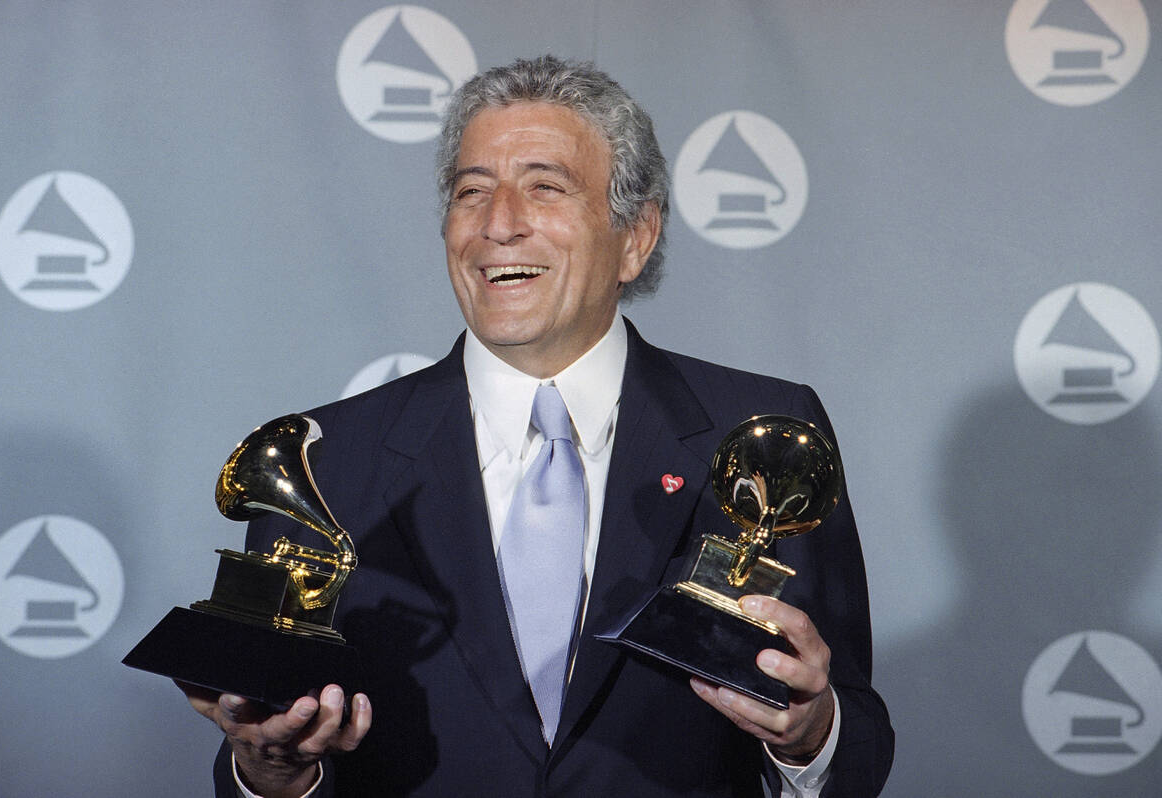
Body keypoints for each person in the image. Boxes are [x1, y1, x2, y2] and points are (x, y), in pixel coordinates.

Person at [180, 55, 894, 797]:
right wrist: (274, 769)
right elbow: (269, 742)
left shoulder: (764, 436)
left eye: (544, 188)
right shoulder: (323, 464)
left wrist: (813, 734)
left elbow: (860, 749)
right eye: (471, 193)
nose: (498, 226)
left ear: (636, 236)